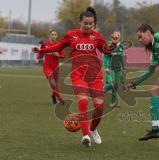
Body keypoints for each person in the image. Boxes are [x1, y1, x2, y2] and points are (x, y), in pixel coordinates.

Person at [32, 7, 118, 147]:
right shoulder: (71, 35)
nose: (88, 26)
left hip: (95, 75)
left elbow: (106, 50)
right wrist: (41, 50)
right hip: (78, 76)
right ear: (80, 22)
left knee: (100, 107)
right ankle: (85, 135)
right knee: (83, 102)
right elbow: (57, 47)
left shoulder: (96, 37)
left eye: (91, 24)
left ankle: (93, 129)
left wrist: (113, 44)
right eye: (86, 23)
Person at [36, 30, 65, 105]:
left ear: (57, 36)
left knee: (55, 84)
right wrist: (38, 58)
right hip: (47, 67)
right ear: (49, 36)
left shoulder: (59, 44)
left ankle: (53, 96)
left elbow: (63, 55)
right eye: (52, 34)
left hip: (56, 67)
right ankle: (60, 99)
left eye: (55, 34)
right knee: (52, 81)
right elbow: (41, 51)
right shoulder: (45, 44)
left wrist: (58, 55)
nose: (53, 36)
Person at [104, 30, 126, 107]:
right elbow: (106, 57)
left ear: (119, 37)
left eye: (118, 35)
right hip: (110, 68)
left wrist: (123, 68)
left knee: (116, 86)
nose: (116, 37)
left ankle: (113, 103)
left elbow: (121, 58)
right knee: (113, 84)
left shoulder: (121, 46)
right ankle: (101, 90)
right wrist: (106, 67)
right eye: (115, 35)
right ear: (112, 36)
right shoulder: (109, 45)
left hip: (118, 69)